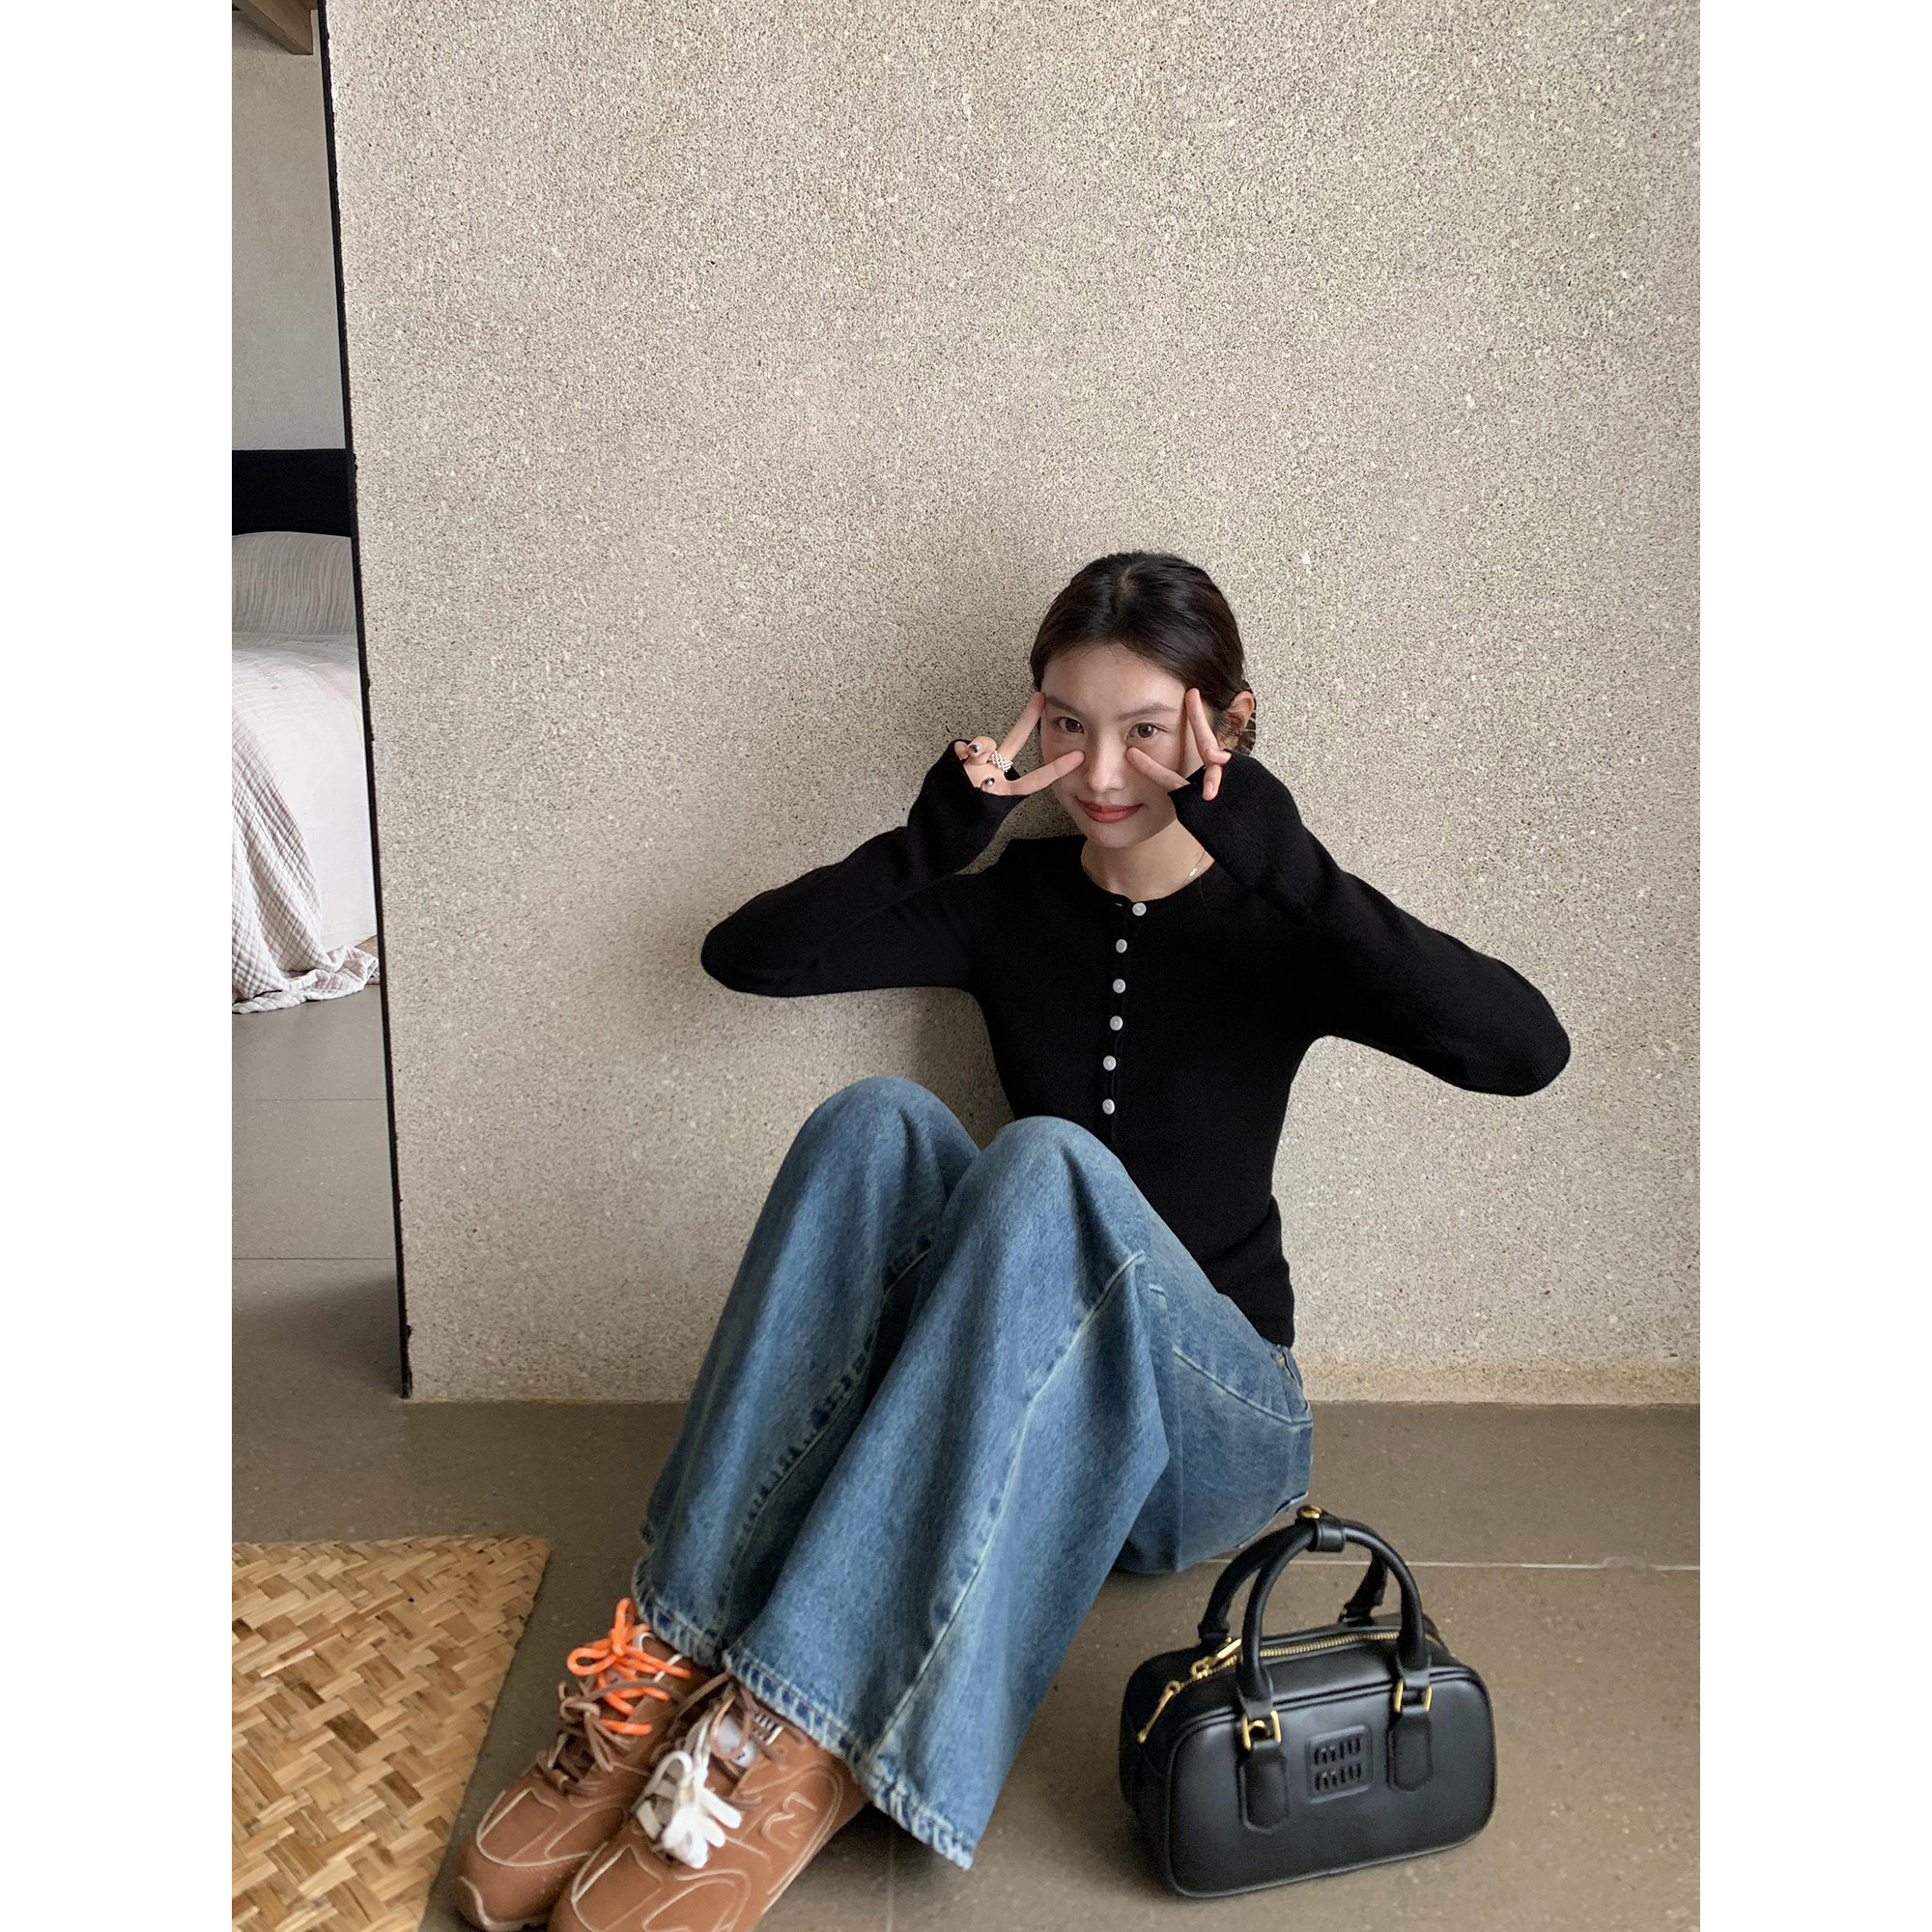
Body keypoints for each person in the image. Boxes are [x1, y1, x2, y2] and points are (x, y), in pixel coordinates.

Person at [452, 553, 1571, 1932]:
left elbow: (1525, 1051)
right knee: (873, 1121)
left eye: (1145, 730)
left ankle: (801, 1730)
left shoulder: (1283, 921)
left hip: (1212, 1438)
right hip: (1028, 1420)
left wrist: (1292, 866)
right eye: (1067, 724)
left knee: (1044, 1158)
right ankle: (667, 1657)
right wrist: (931, 845)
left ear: (1227, 725)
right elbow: (749, 959)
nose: (1099, 772)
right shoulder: (1017, 901)